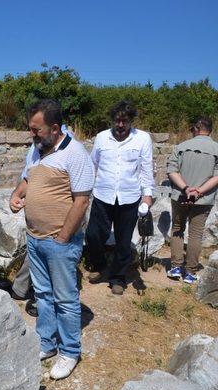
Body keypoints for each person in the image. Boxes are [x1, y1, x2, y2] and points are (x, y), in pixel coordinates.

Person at [10, 99, 94, 380]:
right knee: (43, 295)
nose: (31, 135)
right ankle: (46, 343)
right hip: (34, 238)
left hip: (60, 242)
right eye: (30, 129)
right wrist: (16, 195)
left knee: (65, 298)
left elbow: (81, 201)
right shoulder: (37, 150)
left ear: (55, 128)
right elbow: (27, 179)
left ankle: (69, 351)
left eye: (36, 130)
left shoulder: (76, 154)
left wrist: (62, 238)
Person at [85, 100, 155, 295]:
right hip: (102, 195)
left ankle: (118, 277)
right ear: (112, 120)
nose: (121, 125)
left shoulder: (142, 139)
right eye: (117, 120)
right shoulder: (101, 138)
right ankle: (99, 266)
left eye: (125, 121)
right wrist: (85, 191)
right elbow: (93, 166)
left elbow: (146, 169)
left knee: (124, 241)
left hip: (129, 197)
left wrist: (147, 197)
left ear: (131, 121)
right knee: (93, 235)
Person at [166, 117, 218, 284]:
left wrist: (186, 189)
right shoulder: (216, 148)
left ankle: (175, 267)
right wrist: (199, 191)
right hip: (204, 199)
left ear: (196, 128)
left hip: (180, 196)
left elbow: (172, 171)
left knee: (177, 229)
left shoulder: (181, 147)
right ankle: (190, 272)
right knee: (196, 234)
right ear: (209, 129)